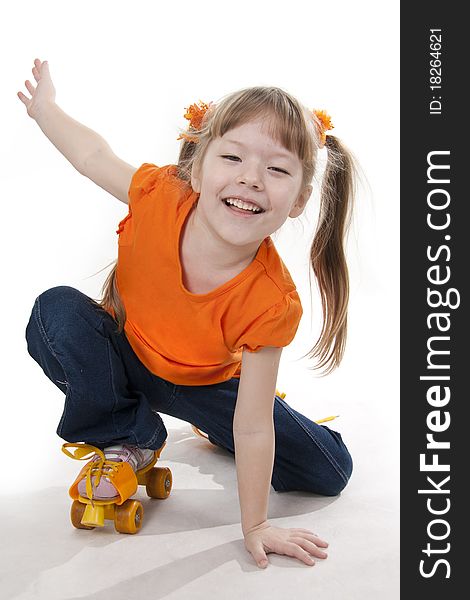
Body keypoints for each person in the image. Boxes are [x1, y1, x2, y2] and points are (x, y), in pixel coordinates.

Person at [19, 58, 358, 569]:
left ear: (299, 199)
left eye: (277, 168)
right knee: (54, 312)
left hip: (204, 385)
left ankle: (222, 425)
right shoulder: (160, 195)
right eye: (233, 158)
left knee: (329, 470)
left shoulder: (271, 299)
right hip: (129, 355)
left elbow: (253, 426)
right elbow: (92, 156)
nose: (251, 180)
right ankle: (127, 434)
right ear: (197, 168)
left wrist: (256, 524)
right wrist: (45, 109)